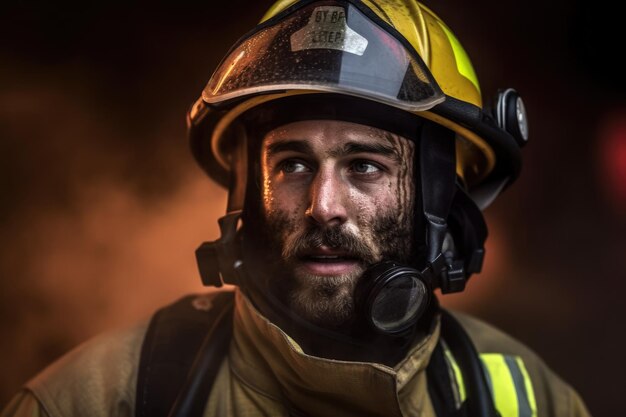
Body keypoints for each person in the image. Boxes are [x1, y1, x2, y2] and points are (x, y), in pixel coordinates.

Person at [1, 0, 591, 416]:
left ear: (443, 202)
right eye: (292, 164)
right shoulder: (98, 399)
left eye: (365, 165)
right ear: (245, 195)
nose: (323, 206)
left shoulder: (532, 398)